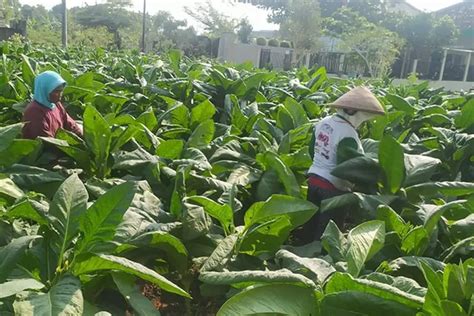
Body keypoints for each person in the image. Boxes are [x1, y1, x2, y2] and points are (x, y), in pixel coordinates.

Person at [303, 86, 385, 241]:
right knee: (328, 234)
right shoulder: (348, 133)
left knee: (310, 224)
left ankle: (302, 253)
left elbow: (311, 149)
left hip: (314, 180)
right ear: (354, 112)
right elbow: (348, 167)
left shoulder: (323, 122)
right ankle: (322, 260)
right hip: (334, 189)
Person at [22, 71, 83, 139]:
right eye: (57, 91)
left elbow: (71, 125)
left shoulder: (55, 104)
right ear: (45, 90)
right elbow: (46, 142)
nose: (60, 94)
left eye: (61, 91)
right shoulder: (34, 112)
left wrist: (83, 137)